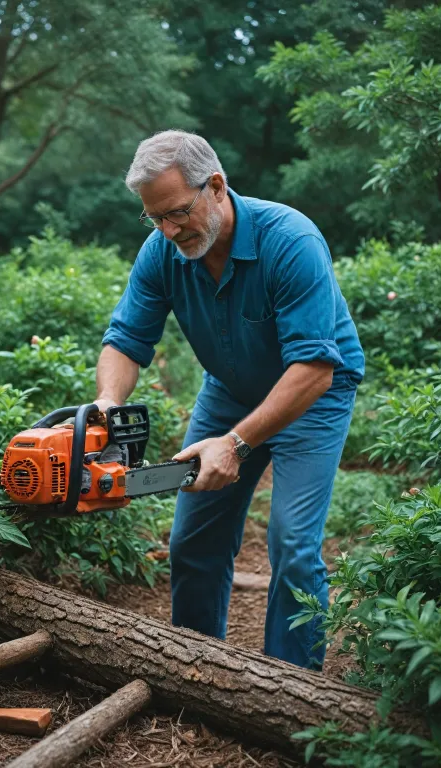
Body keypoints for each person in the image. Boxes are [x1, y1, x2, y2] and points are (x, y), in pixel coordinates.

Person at [94, 130, 364, 670]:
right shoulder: (162, 252)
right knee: (193, 539)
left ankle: (293, 684)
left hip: (314, 395)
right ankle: (197, 669)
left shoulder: (290, 240)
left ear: (215, 186)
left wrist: (236, 445)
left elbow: (313, 368)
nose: (168, 231)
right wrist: (105, 405)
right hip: (228, 390)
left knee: (292, 545)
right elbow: (125, 340)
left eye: (176, 213)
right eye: (155, 219)